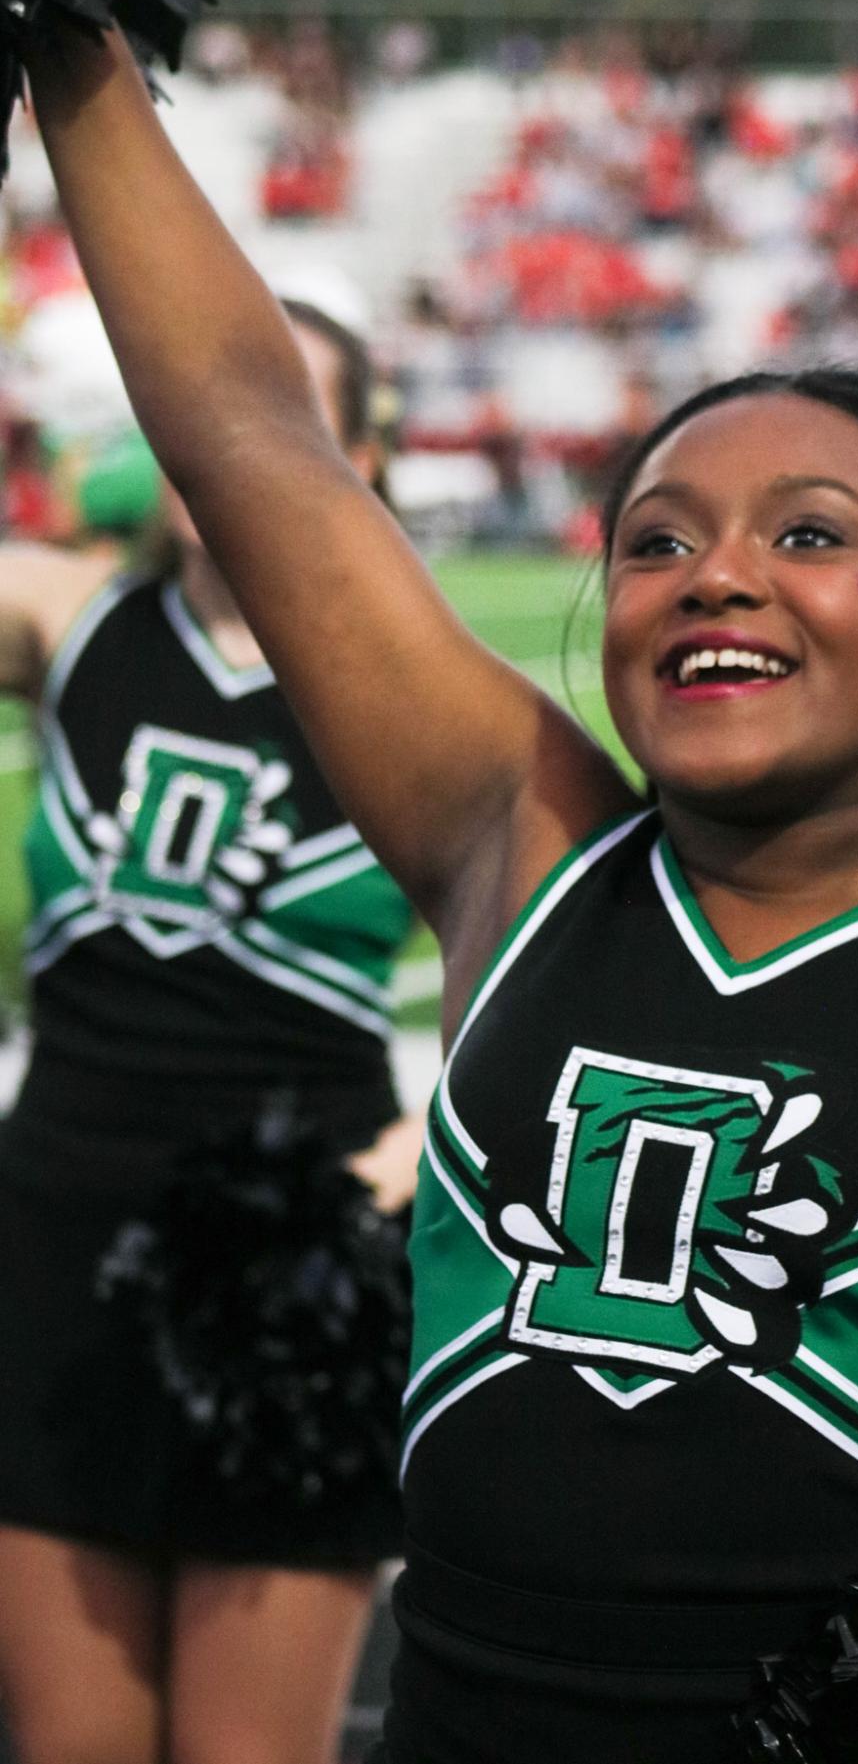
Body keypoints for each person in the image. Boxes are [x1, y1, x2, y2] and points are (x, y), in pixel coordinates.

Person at [22, 27, 858, 1764]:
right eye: (655, 537)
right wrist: (71, 15)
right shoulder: (517, 845)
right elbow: (252, 430)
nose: (712, 570)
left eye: (805, 534)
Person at [0, 285, 419, 1764]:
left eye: (273, 407)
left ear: (360, 456)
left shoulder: (425, 694)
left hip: (292, 1268)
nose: (218, 439)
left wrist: (376, 1185)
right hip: (53, 1233)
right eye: (192, 403)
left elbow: (563, 991)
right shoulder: (69, 612)